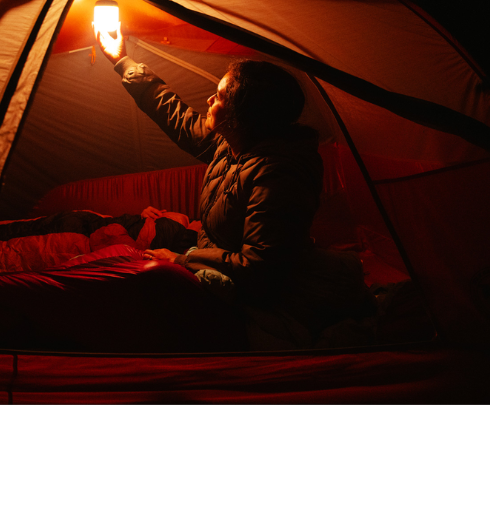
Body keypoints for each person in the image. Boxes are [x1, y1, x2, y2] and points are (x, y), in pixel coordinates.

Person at [95, 22, 375, 350]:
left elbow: (260, 269)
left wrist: (182, 260)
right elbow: (178, 119)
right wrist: (123, 61)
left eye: (220, 94)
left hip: (264, 291)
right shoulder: (237, 145)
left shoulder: (279, 173)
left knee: (142, 287)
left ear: (242, 114)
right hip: (218, 261)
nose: (210, 98)